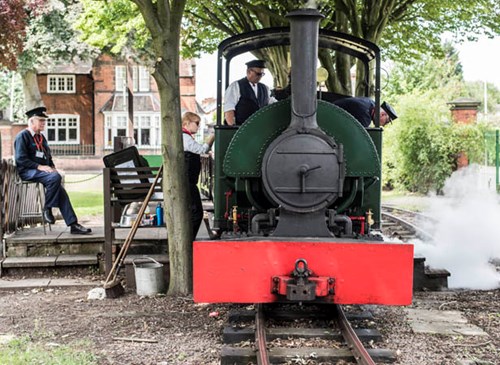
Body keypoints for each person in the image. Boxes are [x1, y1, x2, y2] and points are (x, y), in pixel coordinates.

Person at [14, 107, 92, 235]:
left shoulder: (41, 138)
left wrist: (52, 167)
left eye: (44, 121)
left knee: (61, 190)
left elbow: (47, 157)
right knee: (55, 178)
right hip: (28, 172)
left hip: (42, 173)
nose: (44, 123)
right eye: (41, 120)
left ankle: (73, 224)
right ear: (32, 121)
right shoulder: (22, 136)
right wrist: (39, 167)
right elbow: (20, 159)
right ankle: (47, 209)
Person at [182, 112, 215, 240]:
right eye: (196, 123)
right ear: (187, 123)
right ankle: (189, 243)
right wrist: (212, 138)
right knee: (196, 213)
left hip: (189, 181)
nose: (198, 126)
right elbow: (201, 150)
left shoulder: (186, 137)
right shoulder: (185, 138)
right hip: (188, 182)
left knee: (193, 213)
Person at [224, 59, 277, 125]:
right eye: (258, 74)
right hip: (242, 129)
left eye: (262, 74)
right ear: (249, 71)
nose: (260, 76)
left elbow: (274, 105)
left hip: (262, 129)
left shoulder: (265, 88)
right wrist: (232, 128)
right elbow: (229, 109)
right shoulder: (236, 86)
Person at [333, 97, 398, 127]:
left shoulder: (369, 102)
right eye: (386, 122)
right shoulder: (365, 116)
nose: (383, 126)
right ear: (382, 114)